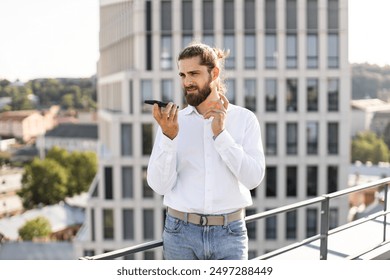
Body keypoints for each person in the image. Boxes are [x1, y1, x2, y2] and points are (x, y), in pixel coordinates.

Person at [147, 42, 265, 260]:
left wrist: (221, 135)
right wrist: (168, 138)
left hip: (230, 234)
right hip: (180, 234)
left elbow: (253, 179)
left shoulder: (244, 120)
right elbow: (159, 185)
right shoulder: (171, 124)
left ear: (214, 73)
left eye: (194, 73)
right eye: (182, 75)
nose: (187, 82)